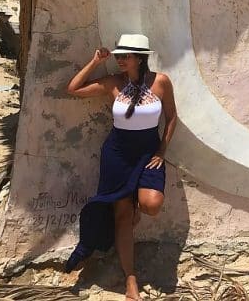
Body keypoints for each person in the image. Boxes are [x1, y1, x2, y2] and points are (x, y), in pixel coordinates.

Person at [64, 34, 177, 301]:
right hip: (117, 154)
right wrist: (95, 62)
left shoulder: (160, 82)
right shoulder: (115, 82)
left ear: (140, 57)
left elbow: (172, 118)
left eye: (126, 55)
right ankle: (130, 280)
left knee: (151, 204)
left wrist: (162, 150)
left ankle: (135, 205)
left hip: (148, 152)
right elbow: (74, 89)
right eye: (118, 55)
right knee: (122, 216)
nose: (120, 60)